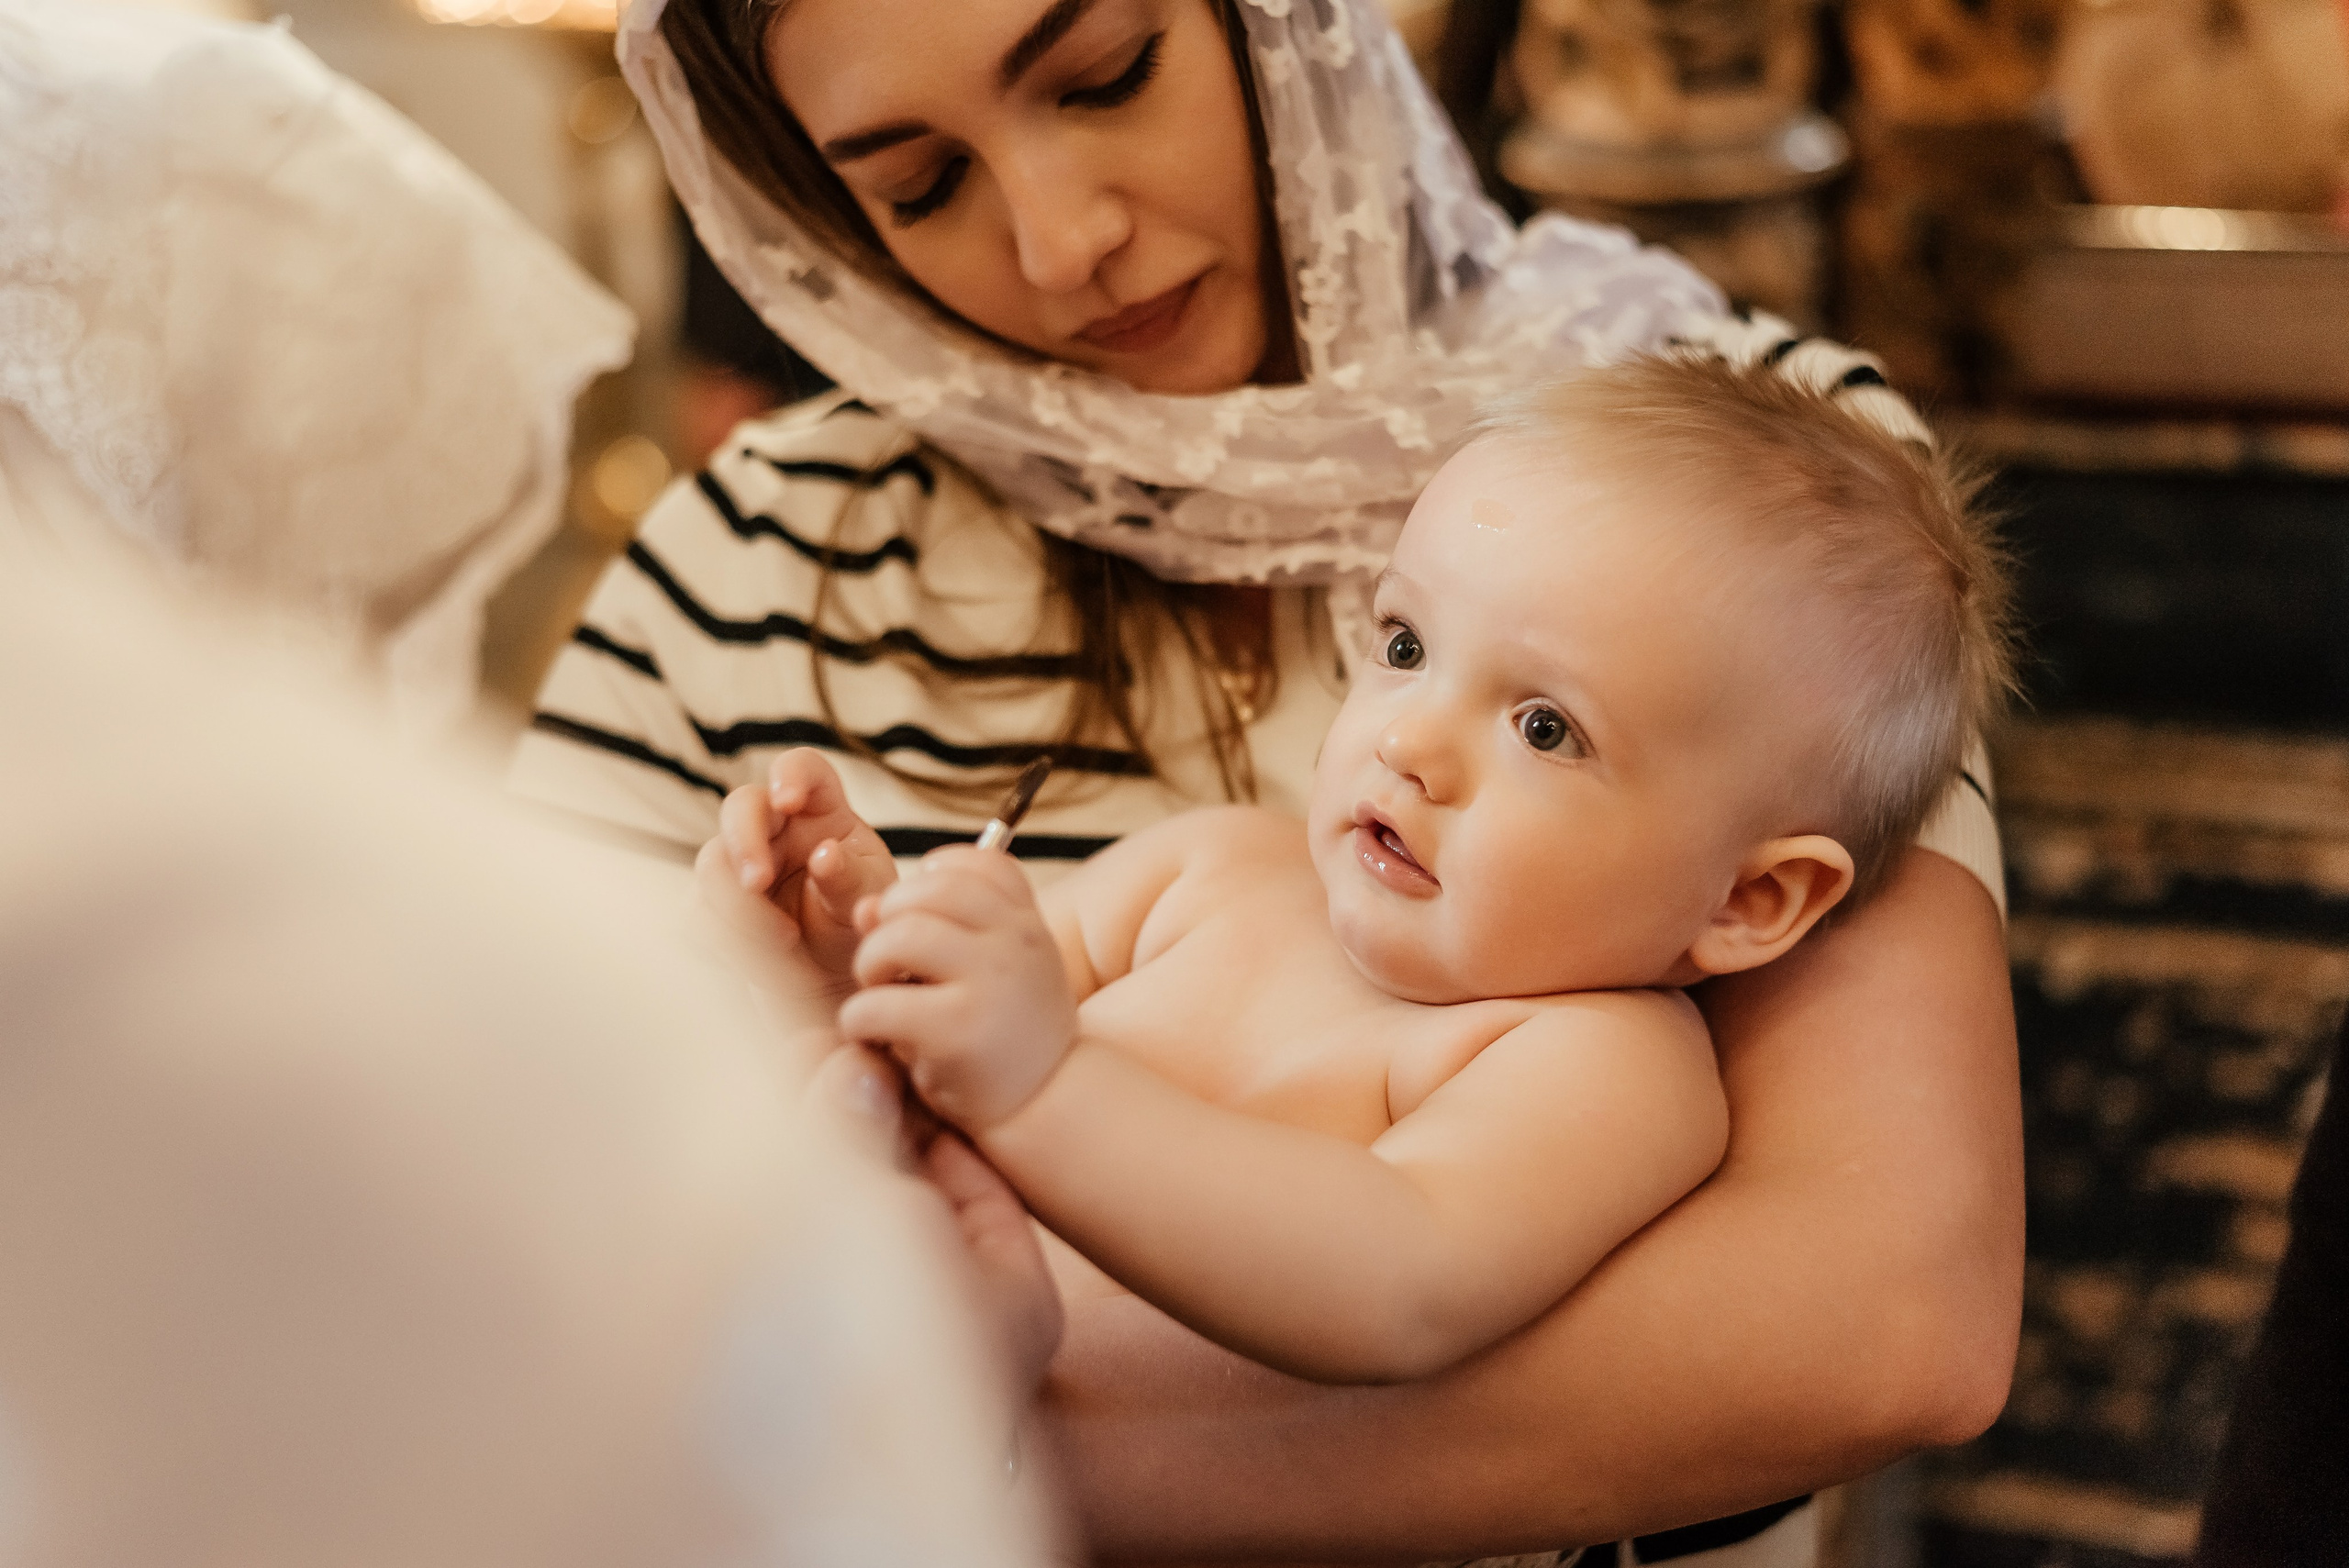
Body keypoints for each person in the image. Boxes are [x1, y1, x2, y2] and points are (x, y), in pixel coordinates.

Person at [511, 0, 2025, 1560]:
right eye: (918, 186)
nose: (1062, 242)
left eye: (1106, 79)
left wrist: (959, 1454)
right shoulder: (772, 570)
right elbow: (509, 1230)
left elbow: (1885, 1319)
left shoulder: (1765, 509)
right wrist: (842, 982)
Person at [711, 352, 2017, 1398]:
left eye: (1544, 726)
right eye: (1404, 643)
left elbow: (1390, 1282)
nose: (1406, 739)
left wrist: (1047, 1079)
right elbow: (941, 1072)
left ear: (1747, 900)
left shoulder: (1599, 1066)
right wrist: (857, 970)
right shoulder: (1204, 871)